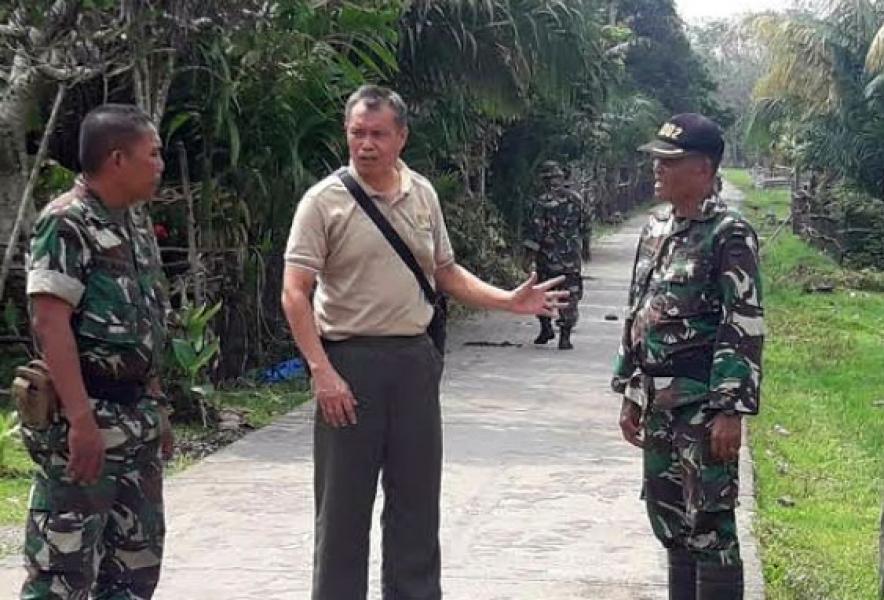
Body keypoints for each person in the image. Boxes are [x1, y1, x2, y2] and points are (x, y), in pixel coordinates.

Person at [281, 84, 568, 600]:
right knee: (343, 509)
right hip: (349, 363)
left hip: (414, 361)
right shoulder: (323, 202)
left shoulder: (422, 193)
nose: (366, 144)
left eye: (378, 134)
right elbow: (295, 293)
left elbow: (445, 271)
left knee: (416, 503)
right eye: (357, 133)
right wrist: (321, 372)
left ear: (402, 136)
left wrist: (507, 300)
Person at [21, 103, 172, 599]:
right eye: (152, 154)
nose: (160, 164)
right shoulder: (66, 224)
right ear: (117, 159)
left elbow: (145, 325)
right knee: (63, 572)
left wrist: (158, 407)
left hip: (136, 423)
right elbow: (50, 323)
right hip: (83, 424)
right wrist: (82, 422)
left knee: (134, 570)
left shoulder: (135, 227)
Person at [611, 113, 764, 600]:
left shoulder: (729, 234)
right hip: (657, 403)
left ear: (701, 168)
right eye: (658, 157)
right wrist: (631, 392)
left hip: (701, 406)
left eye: (669, 160)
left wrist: (729, 410)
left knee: (712, 525)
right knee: (669, 520)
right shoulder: (656, 227)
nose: (657, 166)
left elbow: (742, 324)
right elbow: (640, 308)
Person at [522, 160, 585, 350]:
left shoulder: (542, 202)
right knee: (569, 295)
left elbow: (536, 230)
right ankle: (564, 336)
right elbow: (585, 225)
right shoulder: (576, 198)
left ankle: (546, 328)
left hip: (548, 258)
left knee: (543, 292)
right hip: (571, 258)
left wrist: (528, 256)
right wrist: (585, 247)